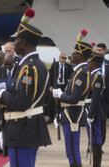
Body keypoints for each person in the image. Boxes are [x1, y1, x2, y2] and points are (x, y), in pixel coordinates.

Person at [0, 11, 51, 166]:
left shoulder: (29, 68)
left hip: (23, 128)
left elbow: (21, 102)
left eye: (16, 40)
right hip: (25, 128)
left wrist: (2, 93)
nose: (13, 44)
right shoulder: (31, 65)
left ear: (24, 42)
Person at [53, 34, 92, 167]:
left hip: (72, 115)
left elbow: (74, 99)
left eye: (74, 53)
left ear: (80, 56)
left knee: (73, 152)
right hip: (70, 114)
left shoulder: (81, 72)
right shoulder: (79, 71)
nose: (72, 55)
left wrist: (60, 94)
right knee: (70, 151)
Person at [0, 54, 19, 155]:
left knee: (14, 125)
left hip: (15, 103)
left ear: (14, 62)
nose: (7, 67)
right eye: (5, 64)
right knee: (0, 123)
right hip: (0, 103)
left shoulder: (20, 70)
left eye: (9, 64)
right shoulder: (0, 70)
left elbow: (26, 85)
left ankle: (13, 146)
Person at [85, 51, 105, 167]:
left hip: (95, 113)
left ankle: (96, 165)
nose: (88, 63)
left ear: (96, 63)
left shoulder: (97, 76)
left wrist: (91, 115)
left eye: (90, 61)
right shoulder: (92, 75)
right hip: (90, 110)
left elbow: (96, 98)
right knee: (92, 140)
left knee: (96, 140)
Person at [47, 53, 73, 124]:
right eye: (63, 58)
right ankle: (51, 118)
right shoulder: (54, 65)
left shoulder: (69, 66)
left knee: (62, 102)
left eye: (65, 58)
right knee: (51, 101)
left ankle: (60, 118)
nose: (64, 59)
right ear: (59, 58)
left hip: (64, 87)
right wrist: (50, 86)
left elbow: (71, 77)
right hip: (55, 86)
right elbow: (50, 76)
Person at [96, 43, 109, 148]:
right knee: (92, 119)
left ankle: (100, 144)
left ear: (104, 52)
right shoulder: (92, 64)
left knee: (102, 120)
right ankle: (91, 143)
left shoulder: (108, 64)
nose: (97, 51)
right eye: (96, 50)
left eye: (99, 50)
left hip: (104, 96)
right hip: (93, 95)